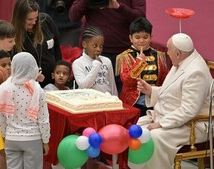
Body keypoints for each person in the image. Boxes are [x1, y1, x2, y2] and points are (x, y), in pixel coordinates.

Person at [136, 33, 212, 169]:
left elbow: (189, 110)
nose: (167, 52)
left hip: (194, 124)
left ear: (177, 53)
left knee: (153, 137)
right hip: (174, 118)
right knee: (135, 129)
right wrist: (151, 91)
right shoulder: (182, 59)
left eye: (168, 49)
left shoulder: (196, 72)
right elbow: (173, 92)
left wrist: (161, 124)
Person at [69, 0, 146, 94]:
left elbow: (141, 19)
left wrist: (119, 7)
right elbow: (73, 16)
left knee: (124, 94)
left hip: (124, 54)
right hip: (93, 54)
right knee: (88, 93)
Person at [0, 52, 50, 169]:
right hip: (33, 138)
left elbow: (1, 117)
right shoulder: (37, 90)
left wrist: (5, 135)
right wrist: (46, 141)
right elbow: (43, 119)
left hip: (11, 138)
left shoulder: (5, 87)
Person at [115, 17, 169, 116]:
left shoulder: (159, 55)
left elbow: (165, 79)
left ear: (151, 37)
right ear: (131, 38)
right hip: (134, 103)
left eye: (145, 37)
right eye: (137, 37)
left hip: (155, 102)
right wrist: (139, 63)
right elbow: (127, 81)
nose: (141, 41)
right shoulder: (125, 56)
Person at [11, 0, 62, 88]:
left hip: (52, 83)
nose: (34, 22)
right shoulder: (13, 36)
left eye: (36, 18)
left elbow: (57, 49)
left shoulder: (46, 21)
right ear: (20, 18)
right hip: (29, 87)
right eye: (30, 19)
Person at [72, 26, 118, 95]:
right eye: (95, 46)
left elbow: (112, 85)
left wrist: (115, 99)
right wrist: (96, 65)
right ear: (84, 44)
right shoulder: (78, 63)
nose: (98, 49)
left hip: (106, 101)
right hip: (88, 102)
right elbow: (83, 85)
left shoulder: (107, 61)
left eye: (101, 46)